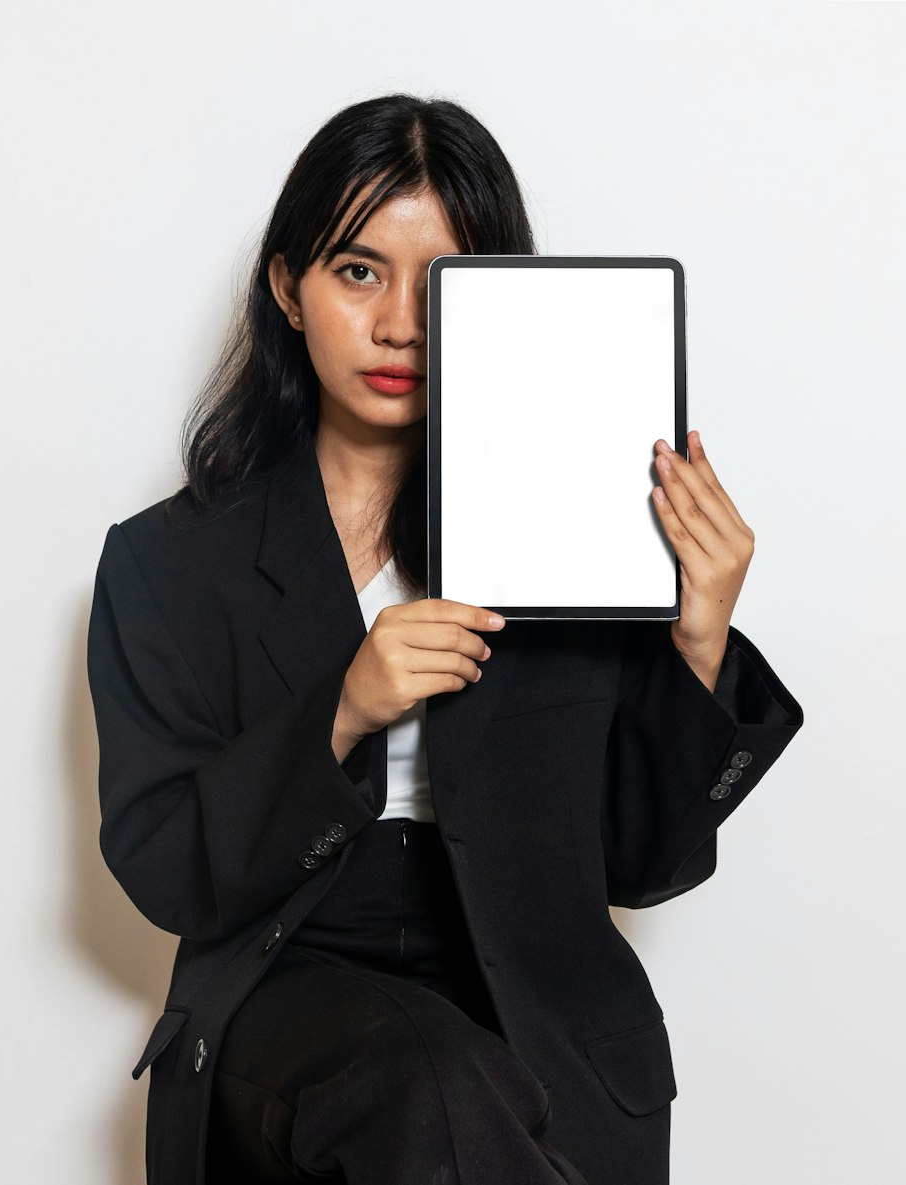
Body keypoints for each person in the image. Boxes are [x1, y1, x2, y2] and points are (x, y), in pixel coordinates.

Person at [86, 94, 804, 1185]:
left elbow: (643, 866)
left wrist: (697, 641)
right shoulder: (168, 562)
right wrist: (343, 710)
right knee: (429, 1079)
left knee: (470, 1088)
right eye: (358, 272)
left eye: (443, 284)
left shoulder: (573, 541)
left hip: (538, 1000)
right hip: (294, 980)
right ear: (289, 288)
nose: (399, 326)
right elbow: (164, 871)